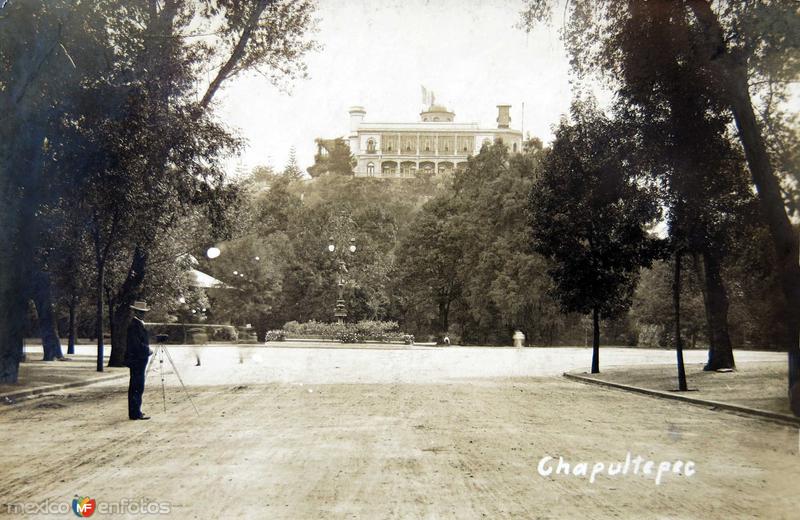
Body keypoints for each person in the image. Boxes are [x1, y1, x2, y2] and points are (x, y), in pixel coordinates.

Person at [125, 301, 153, 420]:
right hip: (137, 359)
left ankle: (136, 411)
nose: (143, 314)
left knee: (137, 385)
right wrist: (147, 350)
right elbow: (136, 344)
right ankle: (135, 413)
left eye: (143, 312)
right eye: (141, 312)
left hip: (139, 359)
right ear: (135, 312)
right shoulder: (134, 325)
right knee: (137, 385)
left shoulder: (138, 324)